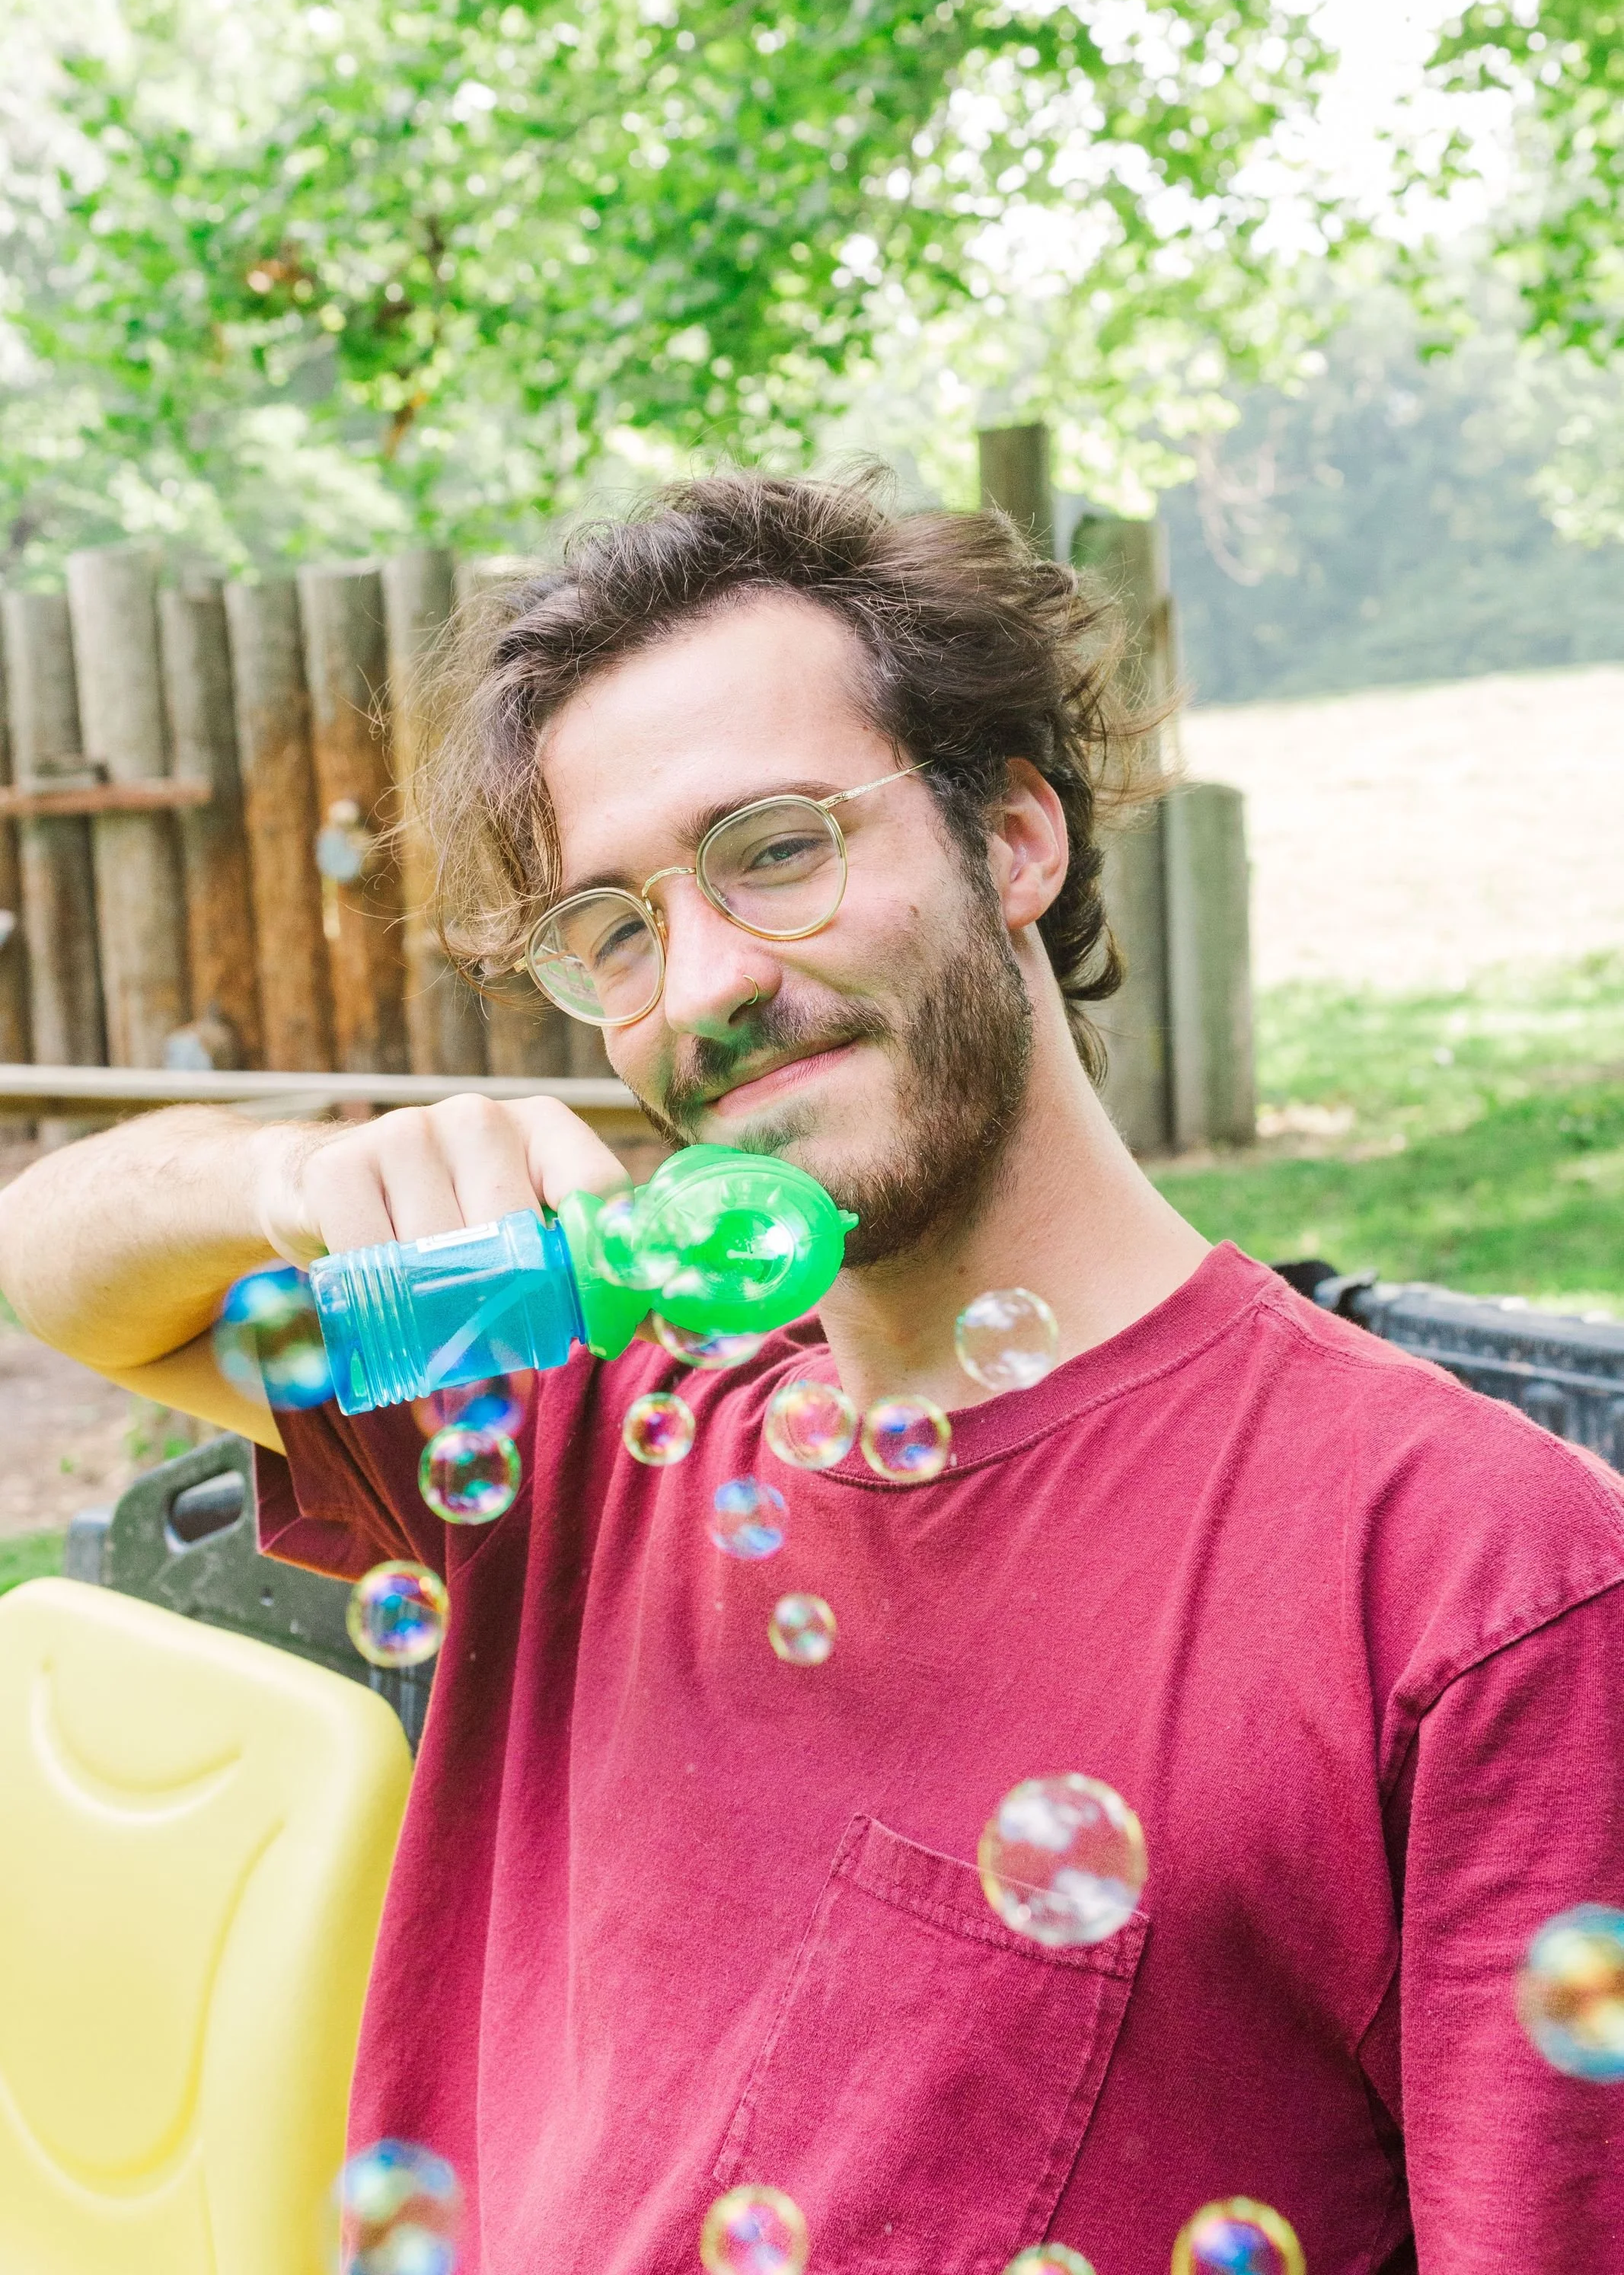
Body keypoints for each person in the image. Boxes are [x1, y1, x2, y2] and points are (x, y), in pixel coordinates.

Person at [3, 471, 1622, 2275]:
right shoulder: (591, 1413)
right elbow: (63, 1277)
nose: (697, 985)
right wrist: (272, 1178)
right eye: (614, 929)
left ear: (1014, 837)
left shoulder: (1474, 1581)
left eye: (773, 849)